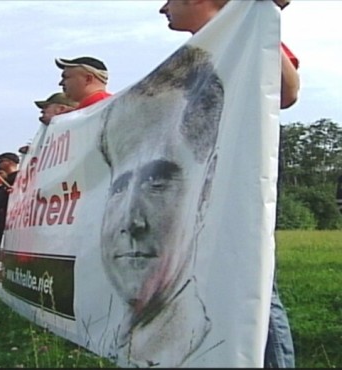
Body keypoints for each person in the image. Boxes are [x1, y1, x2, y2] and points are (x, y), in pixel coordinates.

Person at [158, 0, 299, 367]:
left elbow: (286, 93)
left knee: (248, 277)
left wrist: (258, 14)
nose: (162, 9)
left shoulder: (243, 32)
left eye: (169, 0)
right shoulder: (190, 55)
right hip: (198, 182)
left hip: (237, 176)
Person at [98, 44, 224, 367]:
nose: (131, 220)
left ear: (206, 187)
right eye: (120, 186)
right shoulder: (108, 338)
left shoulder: (216, 349)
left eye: (157, 182)